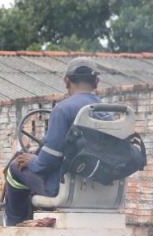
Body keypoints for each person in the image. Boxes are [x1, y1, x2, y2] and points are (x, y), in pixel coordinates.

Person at [5, 57, 103, 226]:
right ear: (96, 82)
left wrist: (33, 159)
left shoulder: (63, 109)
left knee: (15, 168)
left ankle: (14, 226)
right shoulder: (108, 112)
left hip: (64, 190)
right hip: (101, 190)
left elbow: (46, 163)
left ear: (66, 81)